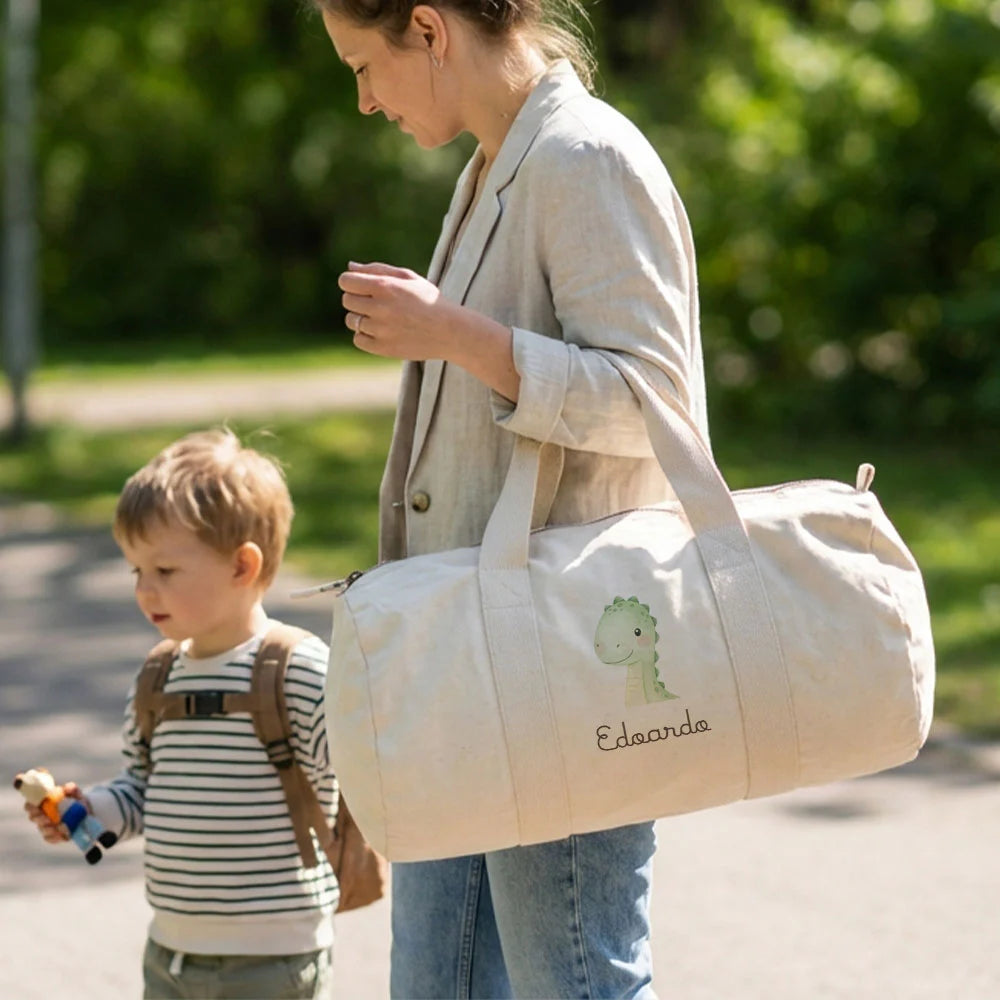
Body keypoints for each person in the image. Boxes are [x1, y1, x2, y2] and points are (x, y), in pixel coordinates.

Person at [316, 1, 709, 996]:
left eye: (365, 64)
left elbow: (650, 404)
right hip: (471, 658)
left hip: (561, 661)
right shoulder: (498, 158)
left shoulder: (585, 157)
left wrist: (453, 335)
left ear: (428, 27)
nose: (361, 100)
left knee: (572, 979)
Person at [21, 429, 338, 1000]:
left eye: (165, 571)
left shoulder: (297, 669)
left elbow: (364, 777)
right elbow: (144, 787)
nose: (145, 591)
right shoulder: (158, 677)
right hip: (171, 953)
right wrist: (88, 810)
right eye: (135, 571)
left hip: (274, 956)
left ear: (243, 566)